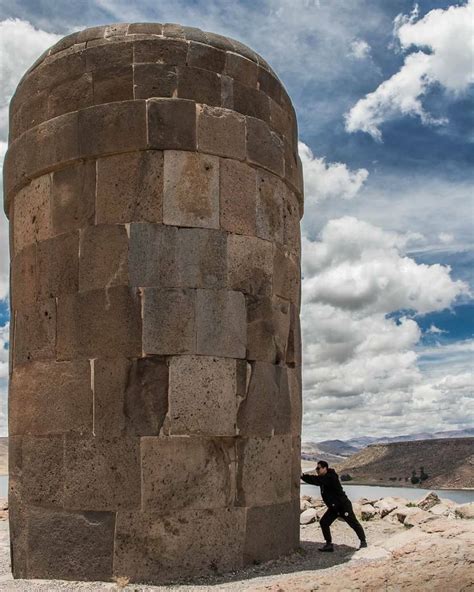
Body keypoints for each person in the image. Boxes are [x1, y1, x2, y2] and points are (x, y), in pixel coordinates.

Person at [301, 460, 367, 552]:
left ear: (325, 468)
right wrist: (303, 477)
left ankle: (363, 542)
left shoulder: (330, 477)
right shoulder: (323, 477)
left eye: (318, 468)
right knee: (324, 522)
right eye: (316, 468)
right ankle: (329, 545)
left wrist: (303, 476)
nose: (317, 470)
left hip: (343, 506)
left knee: (353, 523)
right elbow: (317, 479)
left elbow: (316, 480)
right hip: (334, 508)